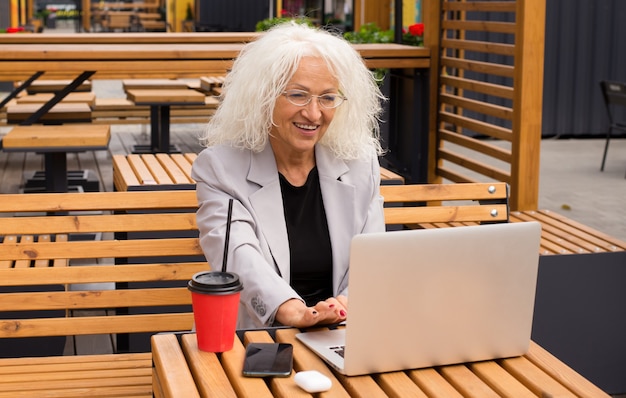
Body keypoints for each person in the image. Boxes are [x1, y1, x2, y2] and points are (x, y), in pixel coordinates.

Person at [191, 21, 386, 330]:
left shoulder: (361, 165)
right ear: (264, 96)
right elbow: (237, 255)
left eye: (327, 97)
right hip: (259, 339)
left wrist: (344, 305)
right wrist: (291, 310)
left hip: (345, 334)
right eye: (298, 95)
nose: (313, 113)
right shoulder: (221, 168)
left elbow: (374, 257)